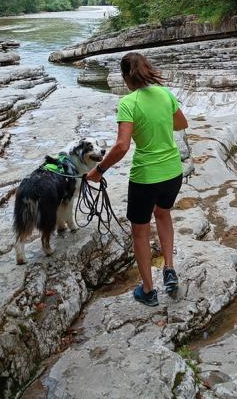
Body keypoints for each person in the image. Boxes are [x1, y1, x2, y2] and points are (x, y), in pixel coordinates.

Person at [86, 52, 188, 306]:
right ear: (147, 69)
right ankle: (169, 269)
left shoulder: (128, 103)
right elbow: (181, 124)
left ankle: (148, 291)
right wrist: (159, 121)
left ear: (125, 76)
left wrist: (99, 171)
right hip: (173, 172)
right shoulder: (165, 94)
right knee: (163, 214)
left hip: (146, 177)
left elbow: (122, 146)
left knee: (140, 232)